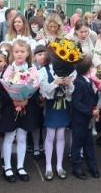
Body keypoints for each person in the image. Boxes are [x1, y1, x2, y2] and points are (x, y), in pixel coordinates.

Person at [0, 40, 39, 183]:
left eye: (22, 51)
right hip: (11, 109)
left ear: (28, 53)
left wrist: (27, 100)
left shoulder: (32, 69)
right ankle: (7, 167)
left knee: (22, 138)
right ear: (12, 53)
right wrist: (13, 100)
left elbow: (36, 89)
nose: (19, 54)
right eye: (16, 52)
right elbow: (2, 91)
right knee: (9, 137)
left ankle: (20, 166)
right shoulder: (8, 69)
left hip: (26, 108)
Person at [39, 49, 74, 181]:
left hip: (63, 106)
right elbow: (43, 90)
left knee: (60, 135)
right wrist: (55, 83)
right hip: (51, 107)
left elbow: (71, 94)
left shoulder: (69, 70)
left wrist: (69, 85)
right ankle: (48, 166)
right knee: (50, 135)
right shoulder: (44, 70)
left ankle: (59, 166)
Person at [71, 56, 100, 180]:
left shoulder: (87, 81)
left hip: (87, 119)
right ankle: (76, 167)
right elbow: (76, 103)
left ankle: (92, 165)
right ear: (89, 69)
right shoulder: (78, 82)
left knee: (89, 143)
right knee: (77, 144)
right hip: (80, 120)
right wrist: (90, 112)